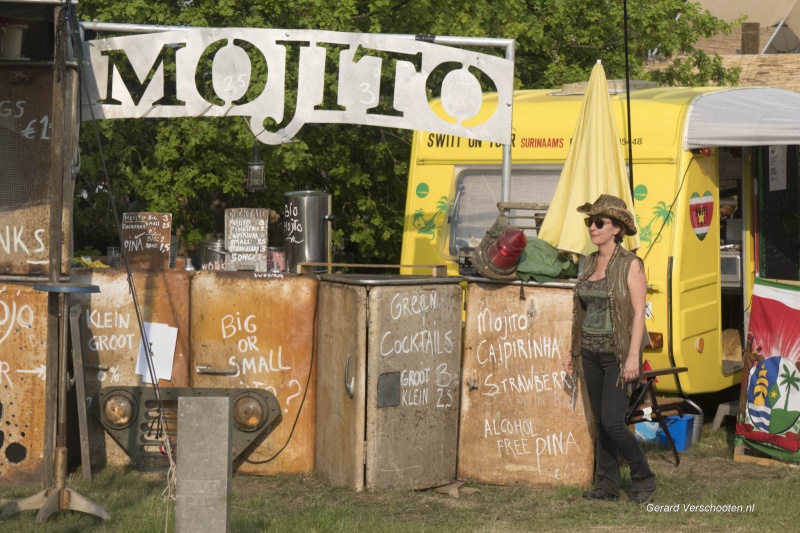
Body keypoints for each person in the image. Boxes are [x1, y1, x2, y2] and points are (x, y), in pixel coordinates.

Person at [563, 194, 656, 504]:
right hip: (589, 352)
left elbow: (639, 313)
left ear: (616, 228)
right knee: (602, 423)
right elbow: (582, 312)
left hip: (617, 355)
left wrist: (633, 357)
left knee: (615, 422)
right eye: (590, 221)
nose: (592, 226)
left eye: (599, 222)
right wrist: (572, 351)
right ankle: (607, 484)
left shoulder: (631, 264)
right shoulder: (589, 262)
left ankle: (644, 477)